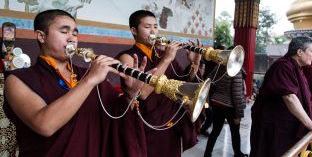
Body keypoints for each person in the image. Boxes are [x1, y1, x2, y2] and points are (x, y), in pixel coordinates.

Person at [3, 9, 149, 157]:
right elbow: (44, 125)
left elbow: (115, 116)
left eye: (74, 33)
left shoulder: (87, 74)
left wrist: (130, 94)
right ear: (41, 36)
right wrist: (90, 80)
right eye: (64, 32)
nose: (72, 38)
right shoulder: (18, 79)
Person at [117, 9, 203, 157]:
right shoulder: (127, 57)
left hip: (170, 123)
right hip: (146, 125)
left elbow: (183, 83)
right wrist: (166, 59)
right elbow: (142, 93)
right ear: (134, 30)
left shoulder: (162, 55)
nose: (153, 31)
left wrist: (195, 63)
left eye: (155, 27)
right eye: (147, 27)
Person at [250, 37, 312, 157]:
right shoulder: (283, 66)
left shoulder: (298, 69)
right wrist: (310, 124)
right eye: (311, 51)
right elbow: (289, 97)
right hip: (275, 127)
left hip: (288, 126)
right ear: (299, 52)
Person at [203, 46, 247, 157]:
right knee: (235, 133)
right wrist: (239, 114)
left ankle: (207, 154)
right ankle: (238, 154)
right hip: (231, 107)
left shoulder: (219, 67)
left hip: (217, 104)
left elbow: (208, 81)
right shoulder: (236, 71)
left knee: (215, 131)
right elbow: (237, 95)